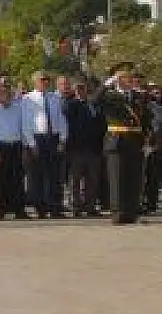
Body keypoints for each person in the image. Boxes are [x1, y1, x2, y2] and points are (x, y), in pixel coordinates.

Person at [98, 62, 151, 224]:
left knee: (134, 177)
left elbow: (146, 118)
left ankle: (131, 211)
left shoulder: (138, 96)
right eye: (125, 77)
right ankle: (118, 212)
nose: (129, 80)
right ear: (118, 79)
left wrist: (148, 139)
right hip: (116, 140)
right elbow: (94, 100)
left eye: (130, 77)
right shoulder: (109, 96)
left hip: (135, 141)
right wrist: (107, 83)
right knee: (117, 178)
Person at [18, 71, 68, 218]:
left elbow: (61, 120)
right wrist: (32, 144)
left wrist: (63, 139)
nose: (45, 82)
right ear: (35, 82)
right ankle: (40, 208)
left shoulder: (55, 98)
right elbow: (26, 122)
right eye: (42, 80)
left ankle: (55, 207)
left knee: (54, 175)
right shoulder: (28, 99)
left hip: (53, 138)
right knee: (37, 176)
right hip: (37, 138)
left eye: (47, 79)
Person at [0, 78, 29, 219]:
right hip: (0, 146)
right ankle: (0, 211)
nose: (5, 90)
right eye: (2, 87)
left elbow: (23, 127)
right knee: (1, 180)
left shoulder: (18, 105)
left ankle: (19, 210)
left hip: (16, 145)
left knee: (17, 180)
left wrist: (25, 145)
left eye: (7, 87)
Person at [63, 78, 104, 217]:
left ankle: (90, 206)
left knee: (92, 179)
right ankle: (76, 207)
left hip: (94, 148)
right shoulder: (70, 104)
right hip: (77, 148)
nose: (81, 91)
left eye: (83, 88)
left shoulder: (93, 105)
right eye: (78, 88)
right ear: (75, 90)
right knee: (75, 180)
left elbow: (101, 124)